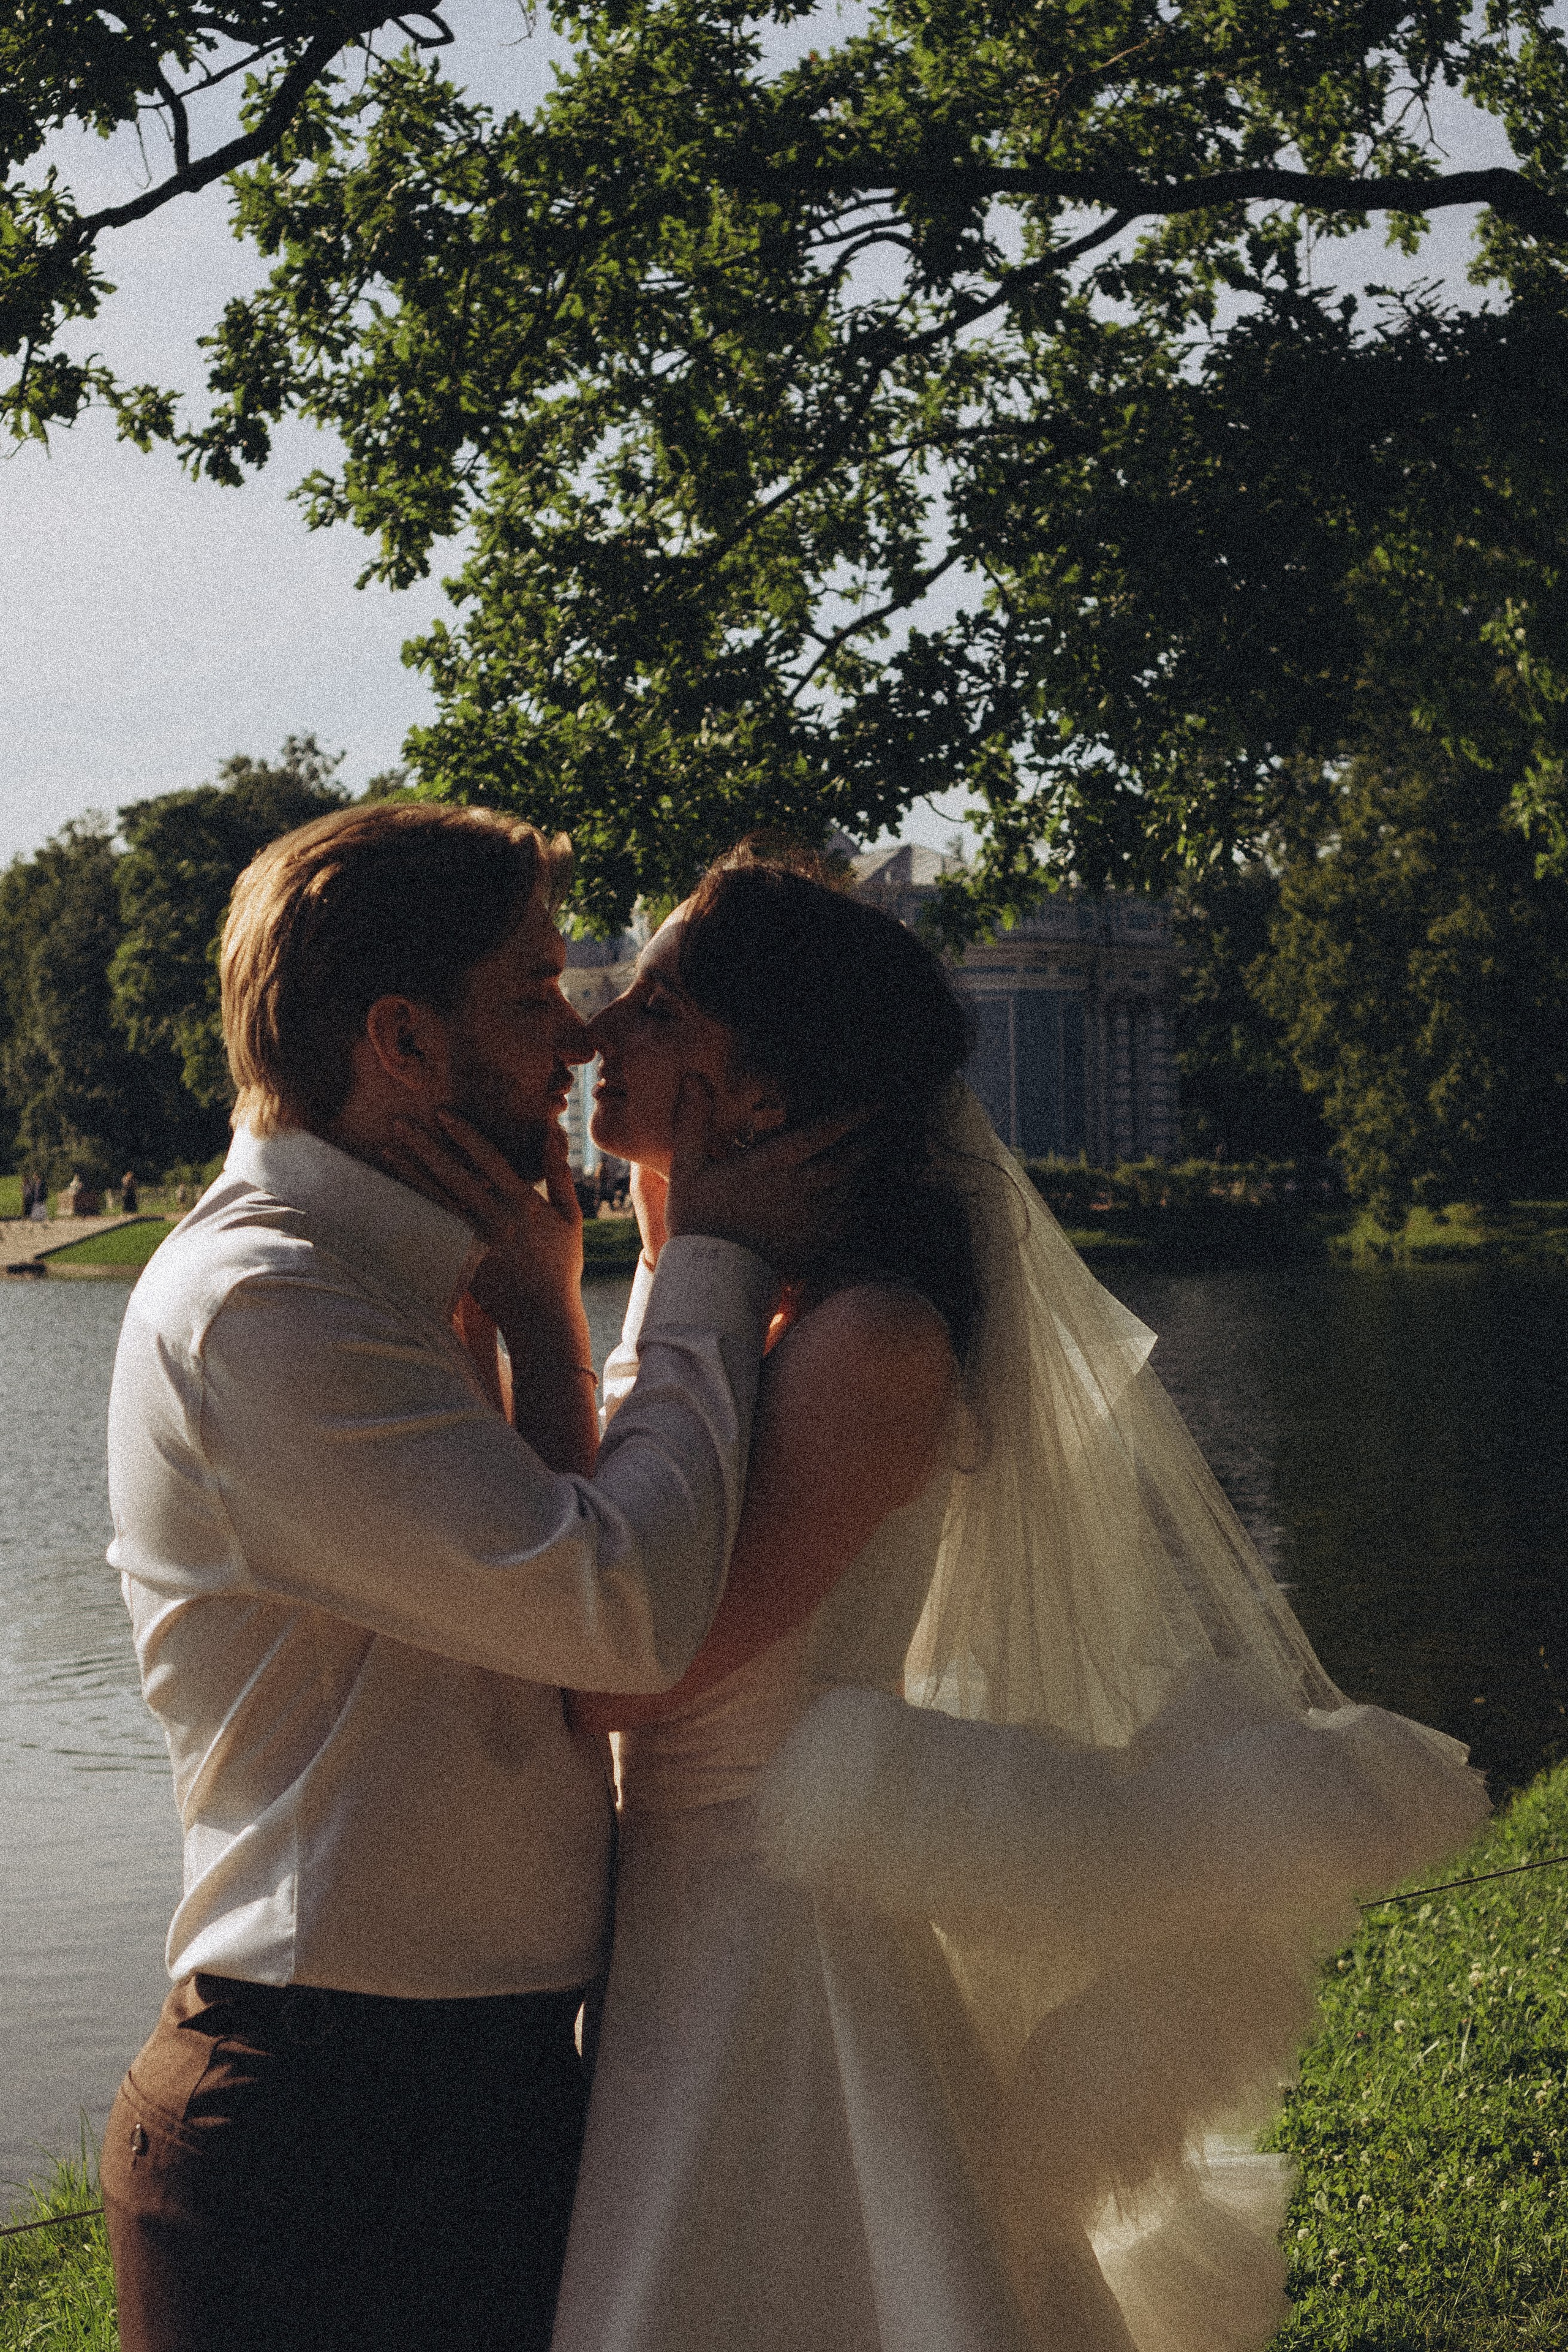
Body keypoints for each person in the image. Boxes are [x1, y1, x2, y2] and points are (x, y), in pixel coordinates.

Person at [514, 845, 1487, 2352]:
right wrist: (661, 1256)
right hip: (687, 1915)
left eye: (651, 1004)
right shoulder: (750, 1301)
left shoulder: (867, 1339)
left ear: (761, 1088)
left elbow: (630, 1673)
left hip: (775, 1943)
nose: (593, 1029)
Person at [99, 804, 856, 2352]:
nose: (579, 1039)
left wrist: (541, 1330)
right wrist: (704, 1253)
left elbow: (550, 1636)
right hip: (324, 2135)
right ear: (402, 1040)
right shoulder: (268, 1310)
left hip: (467, 2094)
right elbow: (623, 1620)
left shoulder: (397, 1279)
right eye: (530, 993)